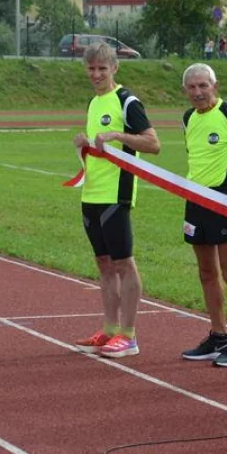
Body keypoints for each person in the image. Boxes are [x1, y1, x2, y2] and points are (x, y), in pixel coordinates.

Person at [72, 41, 161, 358]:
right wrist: (84, 144)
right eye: (91, 68)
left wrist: (117, 136)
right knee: (104, 263)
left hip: (117, 194)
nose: (96, 74)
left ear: (115, 68)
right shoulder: (94, 103)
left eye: (102, 68)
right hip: (91, 191)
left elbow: (153, 144)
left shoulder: (127, 101)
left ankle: (130, 335)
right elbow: (99, 147)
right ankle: (109, 330)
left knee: (124, 262)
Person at [178, 63, 227, 367]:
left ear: (215, 85)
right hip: (196, 199)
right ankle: (218, 335)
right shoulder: (188, 118)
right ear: (185, 91)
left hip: (225, 198)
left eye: (203, 86)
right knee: (206, 272)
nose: (198, 92)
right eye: (192, 88)